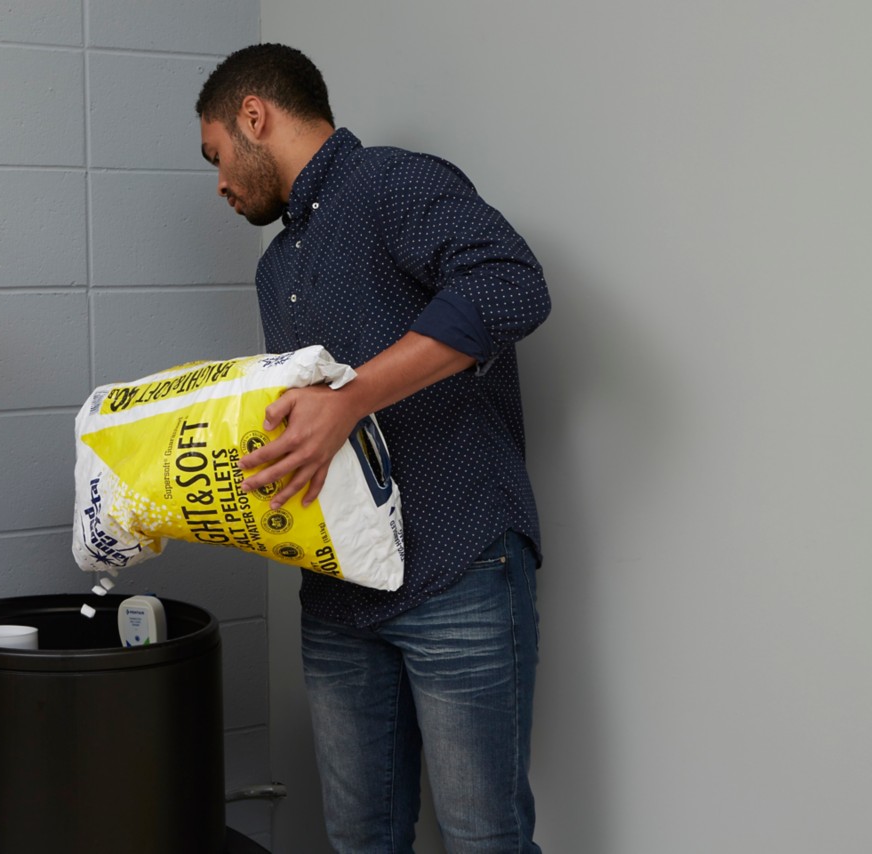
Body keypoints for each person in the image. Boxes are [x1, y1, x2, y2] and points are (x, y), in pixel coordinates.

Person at [195, 44, 550, 853]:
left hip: (457, 568)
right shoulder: (275, 266)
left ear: (255, 116)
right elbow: (308, 427)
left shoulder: (391, 182)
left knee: (482, 839)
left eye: (216, 155)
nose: (218, 181)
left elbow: (512, 284)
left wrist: (349, 403)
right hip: (338, 598)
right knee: (360, 840)